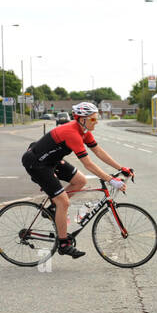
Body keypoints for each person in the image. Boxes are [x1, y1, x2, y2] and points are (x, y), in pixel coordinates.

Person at [20, 101, 134, 258]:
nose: (97, 121)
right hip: (36, 163)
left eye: (96, 118)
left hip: (50, 161)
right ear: (82, 119)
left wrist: (121, 168)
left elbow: (99, 151)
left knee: (80, 181)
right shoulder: (72, 133)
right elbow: (88, 164)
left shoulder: (84, 131)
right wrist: (110, 179)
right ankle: (64, 244)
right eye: (93, 119)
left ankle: (53, 209)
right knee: (64, 202)